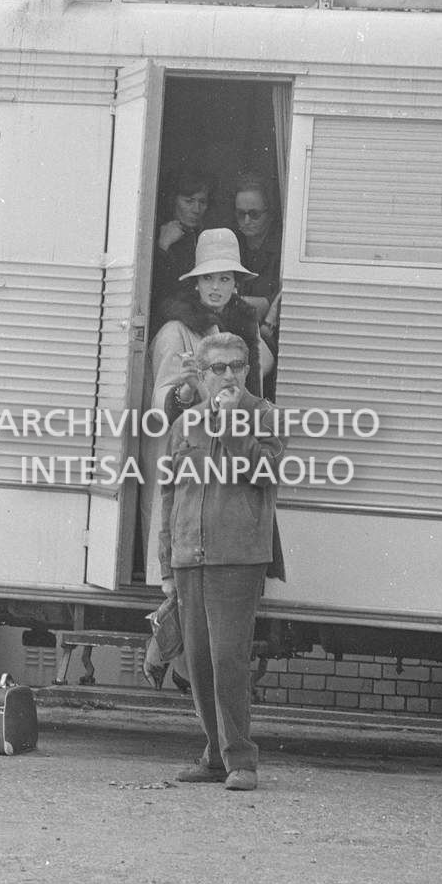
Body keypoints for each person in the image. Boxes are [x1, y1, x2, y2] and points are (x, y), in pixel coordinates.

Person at [140, 229, 272, 689]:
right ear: (194, 285)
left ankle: (177, 659)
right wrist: (186, 388)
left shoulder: (238, 329)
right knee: (192, 558)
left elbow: (262, 368)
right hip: (194, 456)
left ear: (237, 285)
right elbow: (161, 406)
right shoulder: (175, 330)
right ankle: (173, 656)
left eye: (226, 279)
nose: (217, 288)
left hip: (229, 457)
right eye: (208, 280)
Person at [159, 332, 286, 791]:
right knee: (198, 662)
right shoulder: (185, 424)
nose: (229, 374)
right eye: (218, 368)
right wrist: (166, 567)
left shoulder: (265, 416)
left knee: (228, 659)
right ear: (203, 374)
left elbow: (266, 472)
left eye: (237, 366)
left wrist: (233, 424)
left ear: (249, 370)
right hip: (190, 556)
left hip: (239, 557)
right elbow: (168, 496)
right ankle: (214, 755)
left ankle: (242, 761)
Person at [232, 172, 283, 394]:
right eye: (240, 213)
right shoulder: (234, 244)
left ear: (269, 214)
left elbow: (272, 302)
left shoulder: (282, 249)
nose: (246, 221)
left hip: (269, 343)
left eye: (254, 214)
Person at [149, 167, 213, 339]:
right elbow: (153, 291)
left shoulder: (206, 237)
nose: (196, 209)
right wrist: (162, 246)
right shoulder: (158, 233)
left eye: (202, 202)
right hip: (169, 329)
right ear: (174, 200)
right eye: (189, 201)